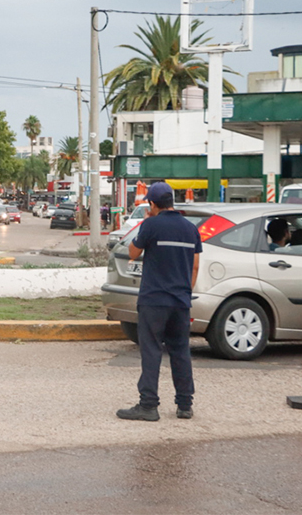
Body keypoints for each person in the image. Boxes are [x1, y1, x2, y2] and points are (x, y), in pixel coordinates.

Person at [117, 181, 201, 422]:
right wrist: (185, 292)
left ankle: (148, 405)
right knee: (180, 351)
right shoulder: (190, 228)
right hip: (180, 301)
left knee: (152, 351)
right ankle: (185, 405)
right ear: (172, 201)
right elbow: (195, 265)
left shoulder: (151, 224)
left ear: (152, 204)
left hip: (154, 300)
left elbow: (133, 253)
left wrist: (144, 223)